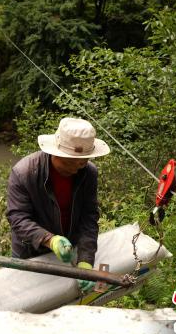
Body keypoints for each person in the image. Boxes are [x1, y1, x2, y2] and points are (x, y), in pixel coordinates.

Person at [6, 117, 110, 292]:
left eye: (82, 162)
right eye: (69, 162)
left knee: (68, 298)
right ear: (54, 152)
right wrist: (49, 239)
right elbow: (17, 218)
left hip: (70, 248)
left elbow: (89, 217)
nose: (75, 169)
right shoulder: (24, 173)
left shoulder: (88, 173)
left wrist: (85, 259)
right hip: (30, 252)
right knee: (28, 300)